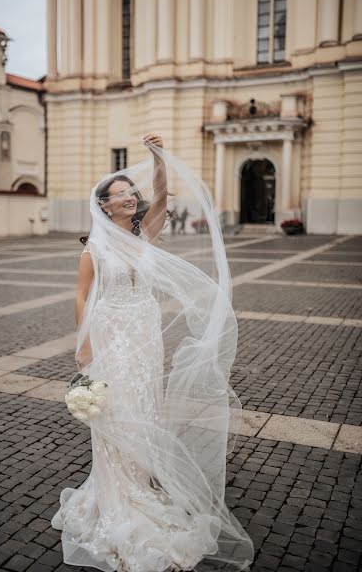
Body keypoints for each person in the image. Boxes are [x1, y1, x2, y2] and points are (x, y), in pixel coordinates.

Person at [51, 134, 254, 572]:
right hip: (111, 329)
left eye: (130, 192)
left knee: (145, 403)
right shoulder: (95, 246)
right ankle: (115, 490)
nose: (129, 197)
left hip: (144, 329)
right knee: (116, 406)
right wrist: (84, 342)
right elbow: (82, 295)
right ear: (104, 205)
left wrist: (157, 158)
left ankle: (140, 479)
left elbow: (162, 193)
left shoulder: (147, 233)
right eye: (119, 194)